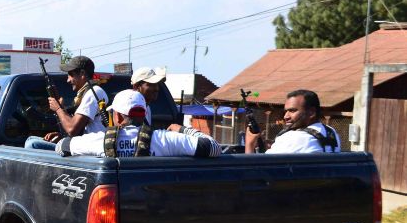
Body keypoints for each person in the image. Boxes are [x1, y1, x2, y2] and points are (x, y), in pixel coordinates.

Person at [55, 90, 221, 158]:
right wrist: (182, 129)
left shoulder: (97, 141)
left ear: (118, 117)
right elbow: (213, 147)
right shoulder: (164, 139)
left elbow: (62, 146)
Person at [25, 55, 109, 150]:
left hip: (90, 147)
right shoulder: (84, 94)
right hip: (83, 143)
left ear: (82, 73)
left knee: (33, 144)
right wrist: (61, 135)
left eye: (70, 74)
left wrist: (58, 108)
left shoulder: (94, 92)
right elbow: (78, 128)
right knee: (30, 139)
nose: (68, 80)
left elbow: (72, 129)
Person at [245, 89, 341, 154]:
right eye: (286, 111)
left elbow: (257, 169)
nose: (286, 116)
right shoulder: (331, 132)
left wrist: (249, 144)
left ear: (311, 112)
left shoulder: (294, 138)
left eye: (292, 111)